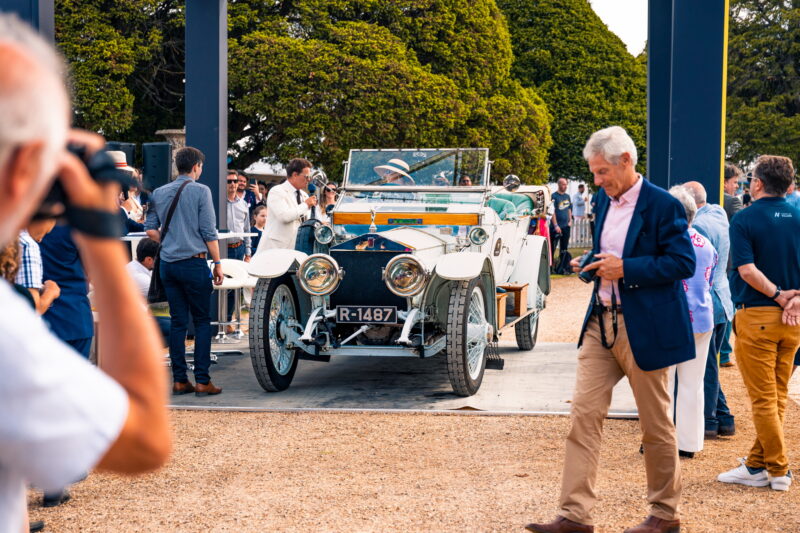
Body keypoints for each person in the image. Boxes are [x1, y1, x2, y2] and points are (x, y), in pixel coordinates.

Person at [0, 15, 170, 532]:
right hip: (69, 311)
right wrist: (98, 227)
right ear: (29, 166)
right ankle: (54, 477)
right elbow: (145, 441)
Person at [526, 126, 696, 533]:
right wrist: (589, 267)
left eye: (602, 172)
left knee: (655, 425)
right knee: (583, 418)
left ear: (626, 160)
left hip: (646, 328)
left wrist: (626, 269)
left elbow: (682, 263)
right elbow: (609, 255)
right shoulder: (604, 198)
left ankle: (664, 515)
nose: (597, 182)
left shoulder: (663, 205)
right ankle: (574, 515)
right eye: (594, 174)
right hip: (600, 324)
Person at [717, 155, 800, 492]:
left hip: (759, 314)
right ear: (789, 185)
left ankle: (779, 469)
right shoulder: (798, 216)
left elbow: (746, 270)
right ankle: (755, 464)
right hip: (793, 318)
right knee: (777, 395)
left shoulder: (744, 218)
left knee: (764, 398)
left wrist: (779, 294)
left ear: (759, 183)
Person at [145, 146, 225, 397]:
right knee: (201, 322)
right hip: (193, 261)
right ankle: (202, 380)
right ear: (195, 167)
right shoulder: (201, 191)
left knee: (178, 322)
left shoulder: (158, 192)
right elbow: (209, 232)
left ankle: (179, 380)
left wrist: (170, 242)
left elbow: (150, 229)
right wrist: (218, 262)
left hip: (168, 264)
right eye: (201, 166)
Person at [682, 181, 736, 439]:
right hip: (723, 297)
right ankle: (724, 418)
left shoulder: (698, 228)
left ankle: (709, 420)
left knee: (705, 367)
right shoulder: (718, 215)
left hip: (707, 300)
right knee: (708, 363)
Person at [666, 185, 716, 458]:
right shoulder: (705, 243)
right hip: (702, 316)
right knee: (692, 384)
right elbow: (708, 279)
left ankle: (661, 439)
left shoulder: (667, 245)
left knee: (664, 383)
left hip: (673, 318)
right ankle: (689, 443)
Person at [255, 158, 316, 253]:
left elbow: (304, 223)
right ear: (295, 175)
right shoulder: (277, 191)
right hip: (275, 249)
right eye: (306, 176)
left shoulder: (304, 195)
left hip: (297, 249)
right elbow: (284, 216)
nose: (308, 180)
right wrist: (306, 205)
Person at [125, 238, 170, 341]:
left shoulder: (134, 267)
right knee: (175, 326)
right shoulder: (139, 277)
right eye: (158, 259)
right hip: (135, 319)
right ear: (149, 259)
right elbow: (163, 294)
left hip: (134, 314)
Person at [15, 220, 59, 315]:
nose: (40, 240)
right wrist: (51, 291)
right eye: (45, 233)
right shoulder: (28, 245)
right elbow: (32, 310)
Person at [549, 178, 572, 261]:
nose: (565, 186)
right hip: (556, 227)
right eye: (563, 184)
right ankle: (550, 266)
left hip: (566, 226)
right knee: (552, 248)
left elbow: (569, 209)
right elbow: (552, 212)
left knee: (564, 248)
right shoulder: (553, 196)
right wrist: (555, 225)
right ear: (559, 185)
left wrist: (570, 221)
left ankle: (562, 266)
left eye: (566, 184)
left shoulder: (567, 196)